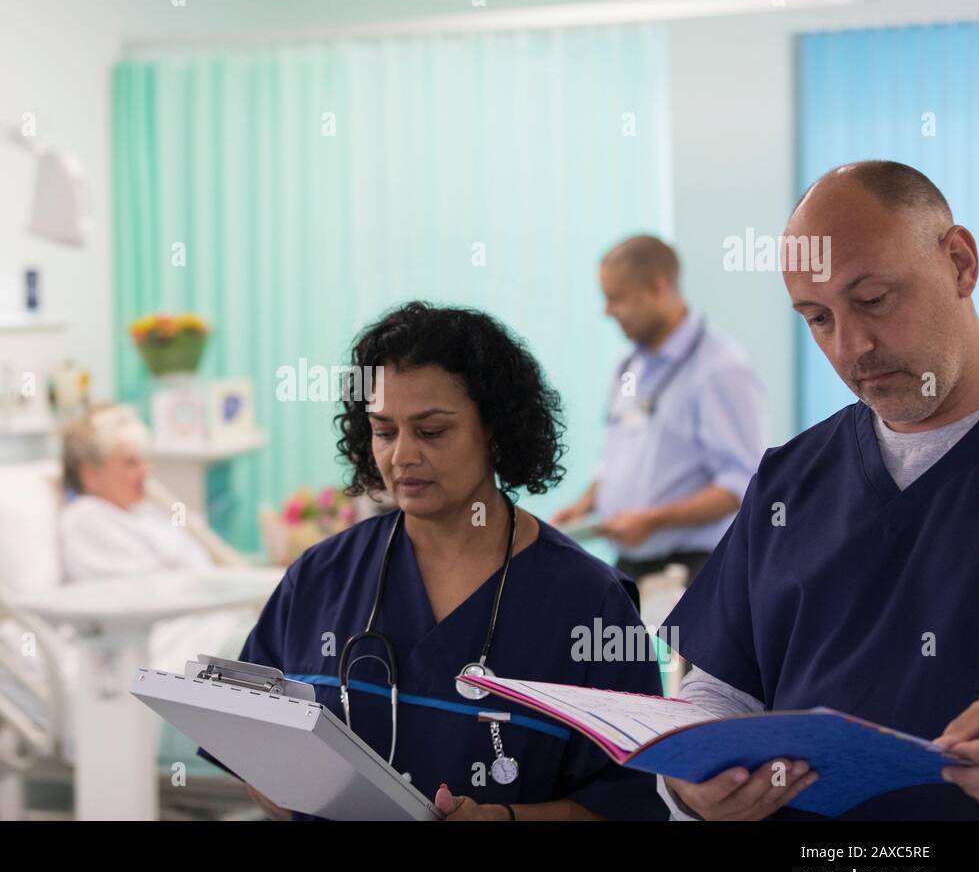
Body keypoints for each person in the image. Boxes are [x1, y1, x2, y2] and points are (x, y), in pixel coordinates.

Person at [200, 302, 668, 820]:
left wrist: (503, 819)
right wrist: (278, 788)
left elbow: (628, 803)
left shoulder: (589, 603)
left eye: (432, 431)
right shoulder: (320, 577)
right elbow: (251, 735)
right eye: (384, 431)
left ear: (495, 430)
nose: (401, 455)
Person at [659, 161, 979, 820]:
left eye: (872, 299)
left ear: (959, 262)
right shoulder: (790, 481)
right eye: (817, 317)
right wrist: (688, 778)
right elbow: (722, 686)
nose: (851, 346)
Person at [552, 235, 767, 590]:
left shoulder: (720, 369)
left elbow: (742, 483)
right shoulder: (629, 364)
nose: (606, 311)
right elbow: (616, 457)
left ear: (657, 288)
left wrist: (654, 520)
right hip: (631, 567)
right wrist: (584, 506)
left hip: (693, 571)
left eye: (615, 298)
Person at [58, 404, 212, 581]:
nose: (145, 471)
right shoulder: (85, 519)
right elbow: (147, 592)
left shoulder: (142, 512)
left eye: (143, 460)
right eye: (131, 463)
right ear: (90, 475)